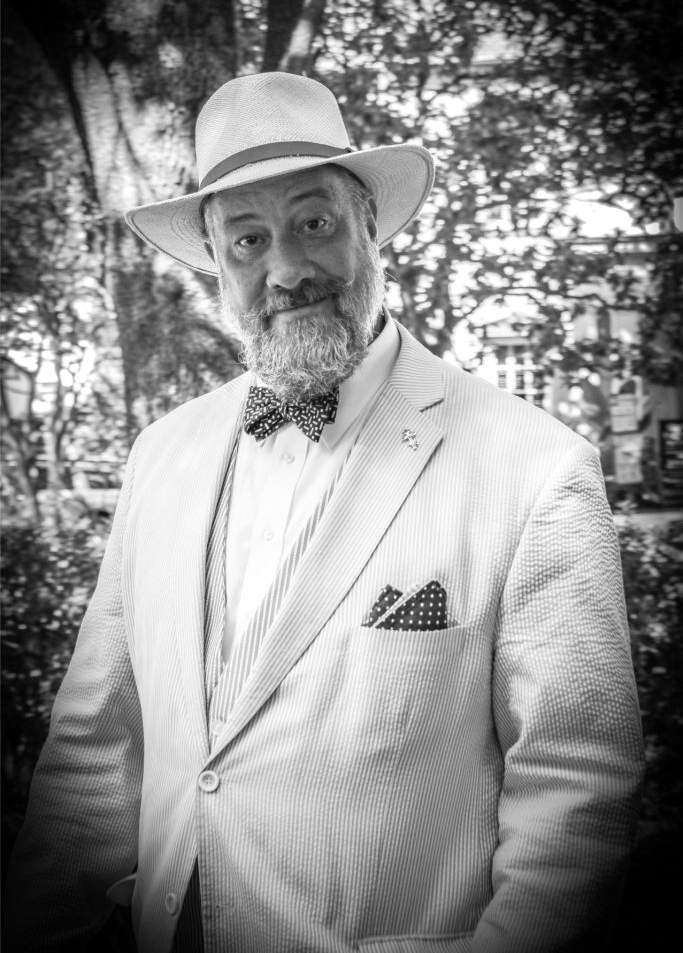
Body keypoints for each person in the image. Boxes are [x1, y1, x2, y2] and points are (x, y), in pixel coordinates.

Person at [5, 72, 644, 953]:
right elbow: (94, 744)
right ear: (215, 266)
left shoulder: (534, 467)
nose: (287, 269)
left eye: (313, 223)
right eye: (247, 240)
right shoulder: (164, 452)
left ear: (369, 226)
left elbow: (575, 786)